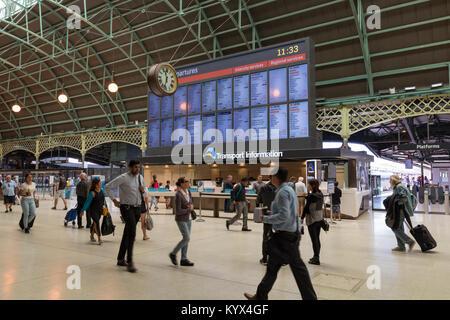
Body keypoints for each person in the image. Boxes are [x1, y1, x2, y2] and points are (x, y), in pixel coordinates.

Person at [244, 167, 317, 301]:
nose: (270, 179)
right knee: (273, 268)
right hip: (288, 234)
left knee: (298, 270)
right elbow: (291, 212)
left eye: (271, 177)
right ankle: (260, 296)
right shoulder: (289, 190)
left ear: (276, 178)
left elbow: (284, 216)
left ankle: (310, 298)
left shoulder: (282, 192)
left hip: (286, 237)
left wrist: (266, 218)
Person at [105, 159, 146, 273]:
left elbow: (145, 192)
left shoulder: (140, 178)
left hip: (137, 208)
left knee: (128, 233)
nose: (137, 169)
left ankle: (120, 258)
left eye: (138, 167)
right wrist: (114, 200)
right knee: (132, 232)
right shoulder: (124, 177)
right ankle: (130, 261)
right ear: (130, 167)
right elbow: (108, 186)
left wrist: (143, 190)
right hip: (126, 208)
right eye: (135, 167)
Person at [169, 177, 195, 267]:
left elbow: (190, 203)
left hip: (189, 219)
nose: (188, 183)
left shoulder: (189, 192)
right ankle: (173, 253)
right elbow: (178, 211)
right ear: (181, 184)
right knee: (187, 238)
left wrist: (191, 207)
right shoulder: (178, 195)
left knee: (186, 239)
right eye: (186, 181)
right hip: (181, 219)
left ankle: (183, 259)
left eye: (189, 181)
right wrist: (188, 209)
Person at [388, 175, 416, 253]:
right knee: (399, 227)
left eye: (390, 180)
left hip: (400, 210)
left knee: (394, 227)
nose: (389, 182)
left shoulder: (399, 187)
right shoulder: (399, 186)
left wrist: (396, 203)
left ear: (393, 180)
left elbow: (404, 198)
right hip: (401, 210)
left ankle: (410, 242)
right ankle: (401, 246)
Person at [301, 179, 324, 265]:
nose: (308, 186)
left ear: (313, 185)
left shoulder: (312, 196)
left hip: (312, 220)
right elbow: (315, 196)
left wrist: (302, 218)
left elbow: (306, 208)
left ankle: (316, 258)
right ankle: (316, 256)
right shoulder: (320, 193)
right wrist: (307, 195)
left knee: (314, 240)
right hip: (319, 219)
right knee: (317, 239)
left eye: (309, 185)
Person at [256, 175, 277, 265]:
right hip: (278, 214)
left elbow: (258, 201)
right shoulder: (280, 188)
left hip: (267, 214)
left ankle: (265, 258)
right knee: (279, 236)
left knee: (266, 236)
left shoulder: (263, 187)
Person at [80, 178, 106, 245]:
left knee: (94, 223)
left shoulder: (102, 191)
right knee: (97, 223)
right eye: (100, 183)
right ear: (96, 185)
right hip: (93, 211)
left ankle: (92, 235)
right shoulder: (92, 193)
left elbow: (104, 201)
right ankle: (99, 238)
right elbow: (87, 203)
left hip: (100, 210)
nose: (101, 184)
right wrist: (82, 210)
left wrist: (106, 208)